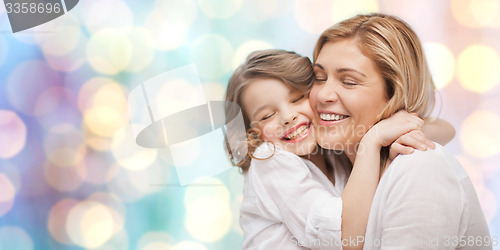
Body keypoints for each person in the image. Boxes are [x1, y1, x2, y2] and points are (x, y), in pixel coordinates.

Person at [225, 49, 453, 249]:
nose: (287, 117)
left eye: (297, 98)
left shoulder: (331, 148)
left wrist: (394, 127)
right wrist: (373, 139)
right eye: (267, 116)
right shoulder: (270, 160)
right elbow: (345, 240)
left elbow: (446, 130)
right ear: (252, 136)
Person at [310, 13, 491, 249]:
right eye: (318, 78)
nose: (323, 95)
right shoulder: (333, 169)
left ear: (395, 92)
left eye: (349, 81)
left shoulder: (419, 167)